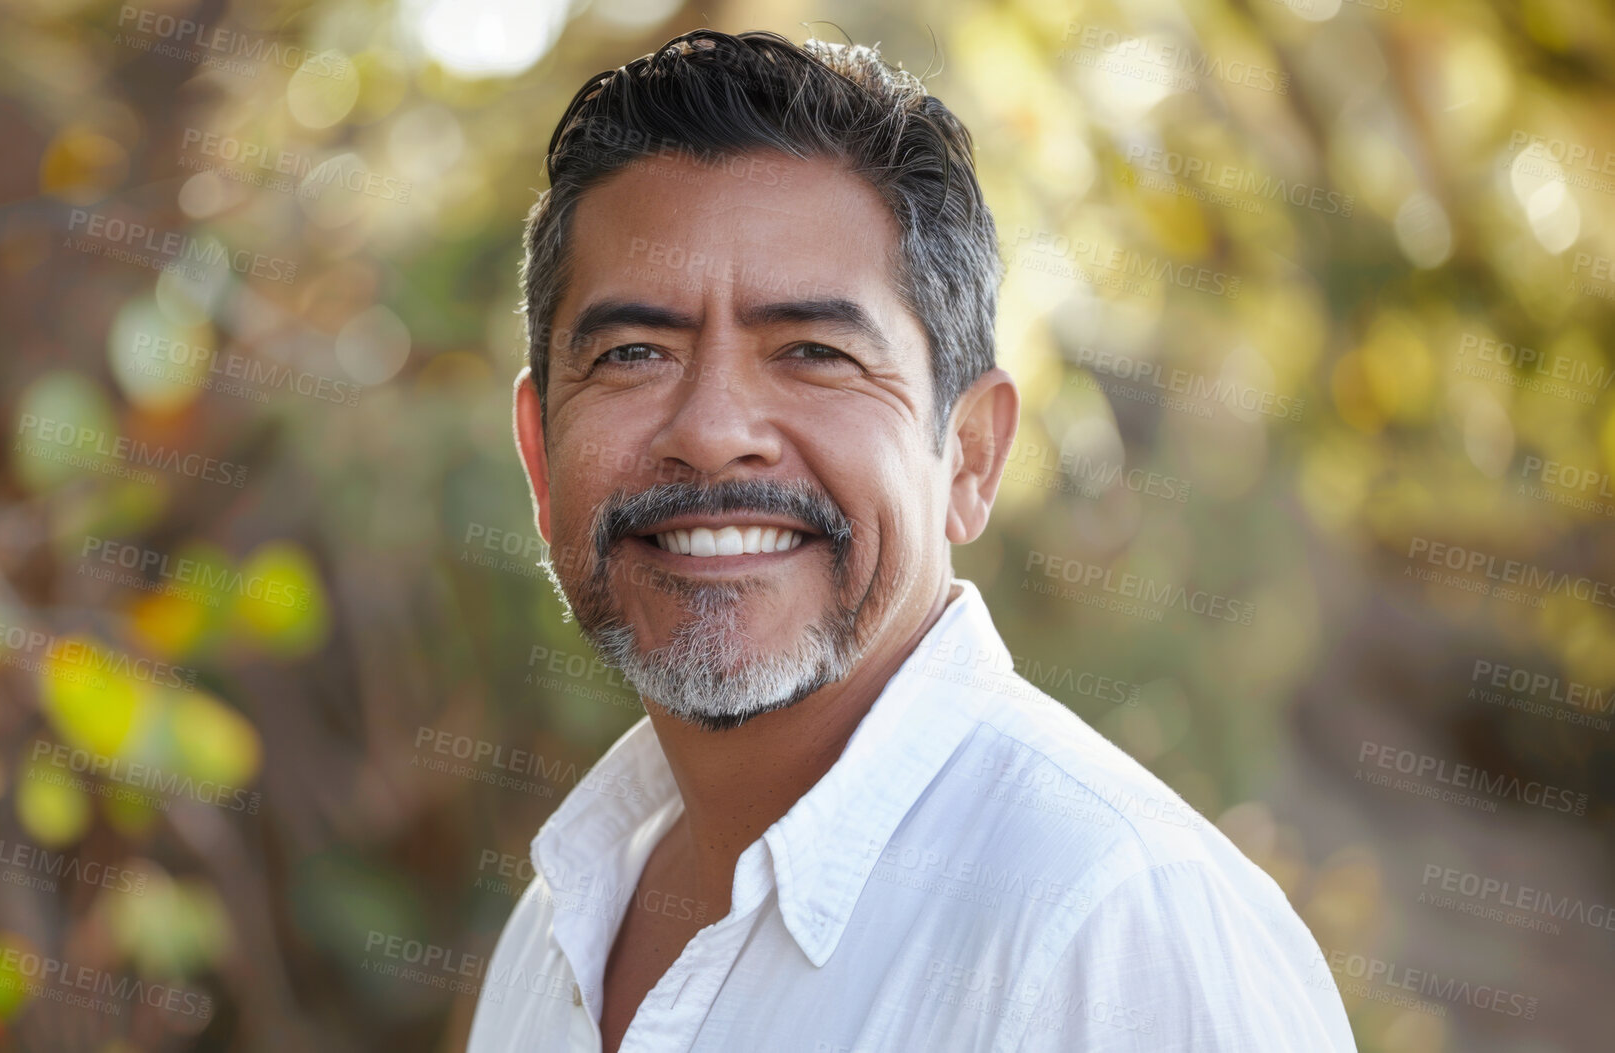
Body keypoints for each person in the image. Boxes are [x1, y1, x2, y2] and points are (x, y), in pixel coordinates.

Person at [468, 28, 1355, 1052]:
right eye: (633, 352)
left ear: (971, 457)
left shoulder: (1113, 928)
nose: (712, 431)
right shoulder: (561, 924)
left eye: (813, 351)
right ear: (541, 459)